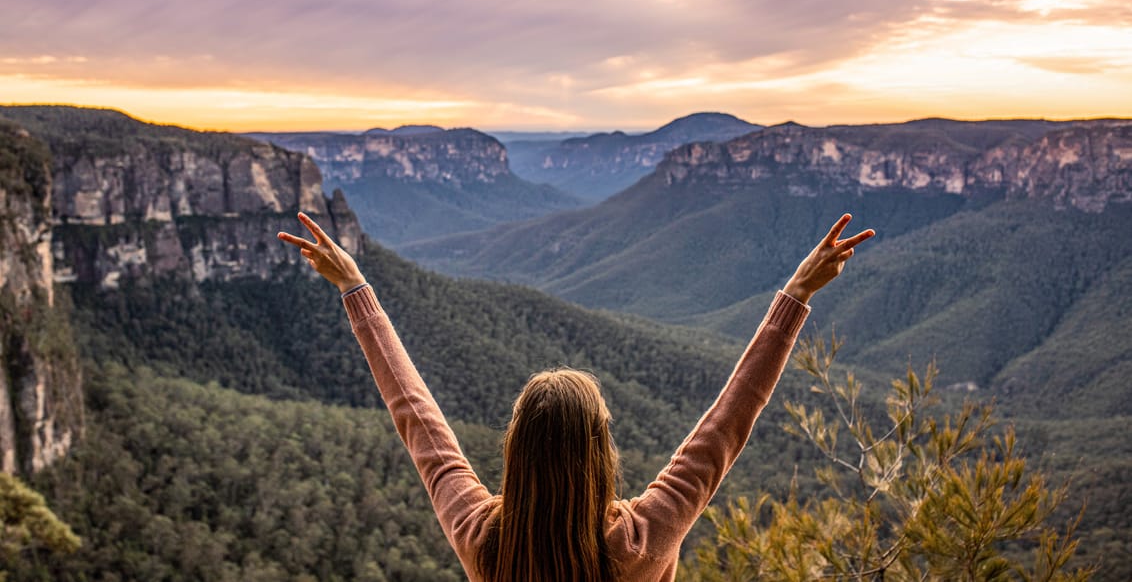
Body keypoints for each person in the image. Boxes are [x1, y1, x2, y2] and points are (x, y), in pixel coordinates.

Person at [278, 212, 874, 582]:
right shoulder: (638, 542)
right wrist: (795, 295)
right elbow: (726, 425)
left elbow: (420, 423)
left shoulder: (485, 542)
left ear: (516, 449)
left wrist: (357, 289)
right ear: (599, 452)